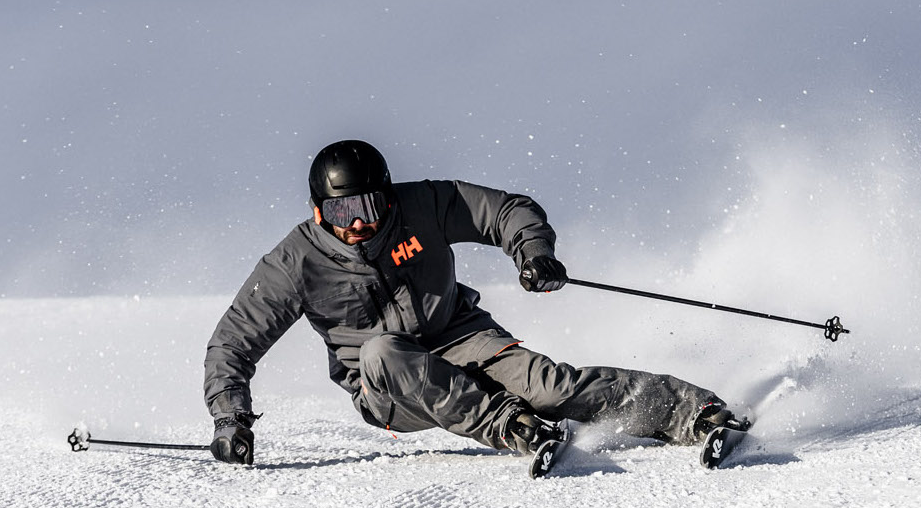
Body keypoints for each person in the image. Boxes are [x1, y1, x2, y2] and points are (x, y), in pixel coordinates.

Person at [204, 139, 744, 474]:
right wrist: (231, 418)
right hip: (389, 390)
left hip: (460, 334)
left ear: (386, 196)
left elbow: (506, 211)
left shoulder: (425, 205)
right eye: (339, 209)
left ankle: (692, 412)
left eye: (365, 204)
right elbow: (233, 341)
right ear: (318, 210)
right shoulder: (293, 262)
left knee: (552, 386)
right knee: (382, 350)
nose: (355, 222)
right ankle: (507, 425)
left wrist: (532, 252)